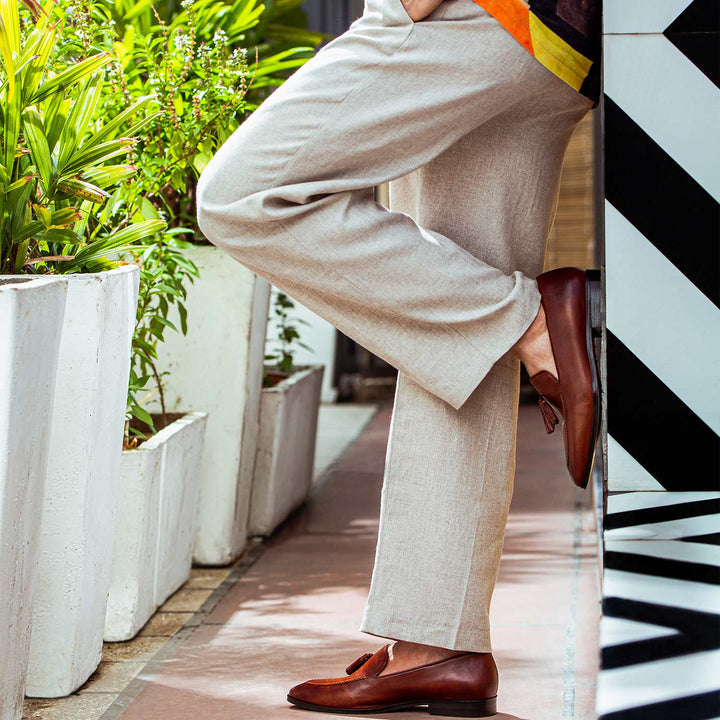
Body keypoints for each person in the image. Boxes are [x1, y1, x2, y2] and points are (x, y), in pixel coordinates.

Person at [196, 0, 601, 715]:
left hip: (468, 15)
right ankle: (436, 644)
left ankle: (535, 324)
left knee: (243, 195)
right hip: (554, 40)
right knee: (451, 321)